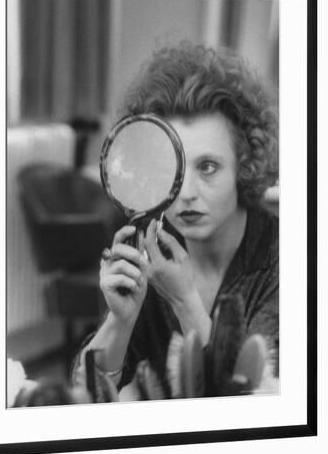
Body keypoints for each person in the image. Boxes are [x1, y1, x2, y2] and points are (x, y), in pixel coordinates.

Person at [72, 40, 279, 396]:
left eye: (208, 167)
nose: (186, 192)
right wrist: (119, 322)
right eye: (173, 169)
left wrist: (184, 301)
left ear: (244, 167)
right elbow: (85, 397)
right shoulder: (151, 247)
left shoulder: (288, 260)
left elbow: (259, 406)